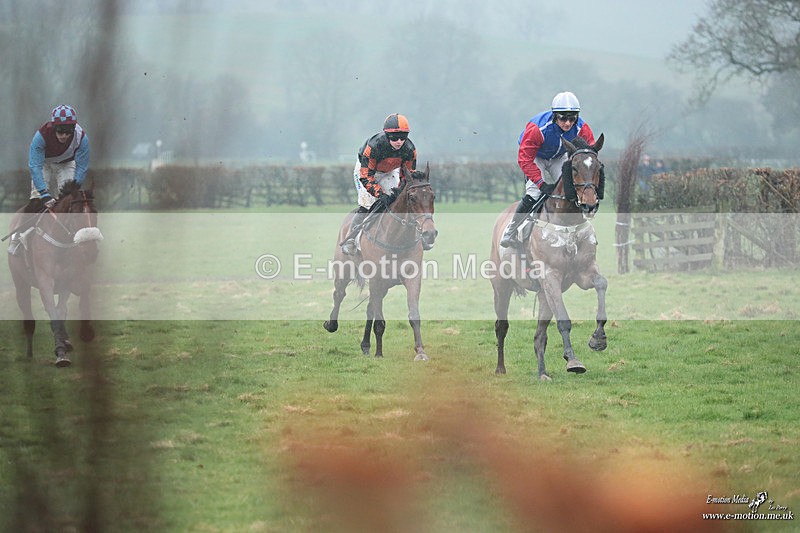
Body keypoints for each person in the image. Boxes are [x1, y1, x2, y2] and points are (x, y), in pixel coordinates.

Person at [500, 91, 595, 248]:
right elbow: (525, 159)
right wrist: (541, 183)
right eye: (563, 118)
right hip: (536, 156)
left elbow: (590, 152)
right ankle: (511, 230)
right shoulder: (537, 129)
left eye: (572, 118)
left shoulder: (581, 127)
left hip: (559, 157)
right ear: (554, 115)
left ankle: (578, 229)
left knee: (570, 190)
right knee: (534, 193)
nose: (568, 123)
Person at [8, 104, 90, 255]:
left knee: (69, 200)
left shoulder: (82, 138)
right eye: (60, 131)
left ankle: (74, 237)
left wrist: (73, 189)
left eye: (68, 132)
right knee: (37, 200)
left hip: (66, 164)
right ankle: (17, 237)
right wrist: (44, 194)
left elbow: (82, 167)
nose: (64, 136)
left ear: (74, 129)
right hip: (43, 164)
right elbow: (35, 166)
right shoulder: (41, 136)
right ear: (53, 127)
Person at [340, 113, 417, 256]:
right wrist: (380, 194)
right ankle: (351, 239)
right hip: (367, 172)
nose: (399, 141)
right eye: (395, 138)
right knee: (367, 204)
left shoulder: (410, 149)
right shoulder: (374, 146)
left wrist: (398, 191)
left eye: (403, 137)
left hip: (390, 171)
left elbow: (407, 176)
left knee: (397, 202)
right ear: (387, 135)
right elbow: (366, 176)